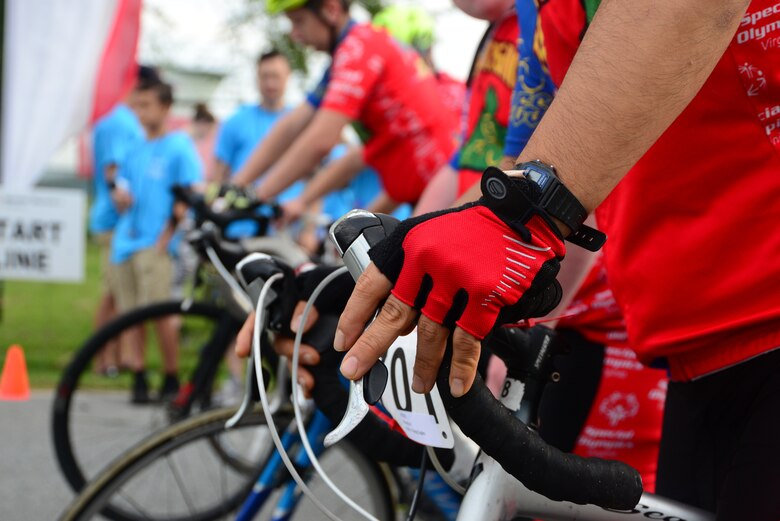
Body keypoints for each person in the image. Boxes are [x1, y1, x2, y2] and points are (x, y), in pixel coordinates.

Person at [337, 0, 780, 518]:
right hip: (698, 350)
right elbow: (513, 177)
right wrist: (382, 283)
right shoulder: (540, 9)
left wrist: (528, 214)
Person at [231, 0, 458, 218]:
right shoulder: (355, 48)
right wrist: (235, 187)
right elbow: (293, 124)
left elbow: (320, 141)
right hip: (427, 188)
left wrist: (256, 196)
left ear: (330, 9)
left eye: (299, 21)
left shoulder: (358, 49)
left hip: (445, 192)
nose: (294, 34)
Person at [111, 80, 204, 403]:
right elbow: (120, 183)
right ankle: (138, 376)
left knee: (160, 313)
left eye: (146, 105)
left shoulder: (178, 146)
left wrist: (166, 237)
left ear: (165, 107)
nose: (140, 112)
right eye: (137, 105)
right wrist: (119, 195)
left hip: (157, 245)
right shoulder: (135, 146)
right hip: (126, 242)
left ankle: (170, 376)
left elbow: (189, 193)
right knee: (130, 313)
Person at [88, 66, 153, 375]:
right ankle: (105, 359)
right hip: (115, 220)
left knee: (117, 293)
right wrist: (122, 197)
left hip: (122, 221)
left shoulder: (118, 119)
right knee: (113, 293)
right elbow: (111, 169)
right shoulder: (119, 121)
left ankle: (119, 357)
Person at [213, 50, 292, 183]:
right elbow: (219, 175)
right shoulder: (236, 121)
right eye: (265, 76)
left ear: (287, 77)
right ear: (257, 78)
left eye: (276, 76)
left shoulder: (300, 124)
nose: (270, 83)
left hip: (287, 203)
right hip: (243, 202)